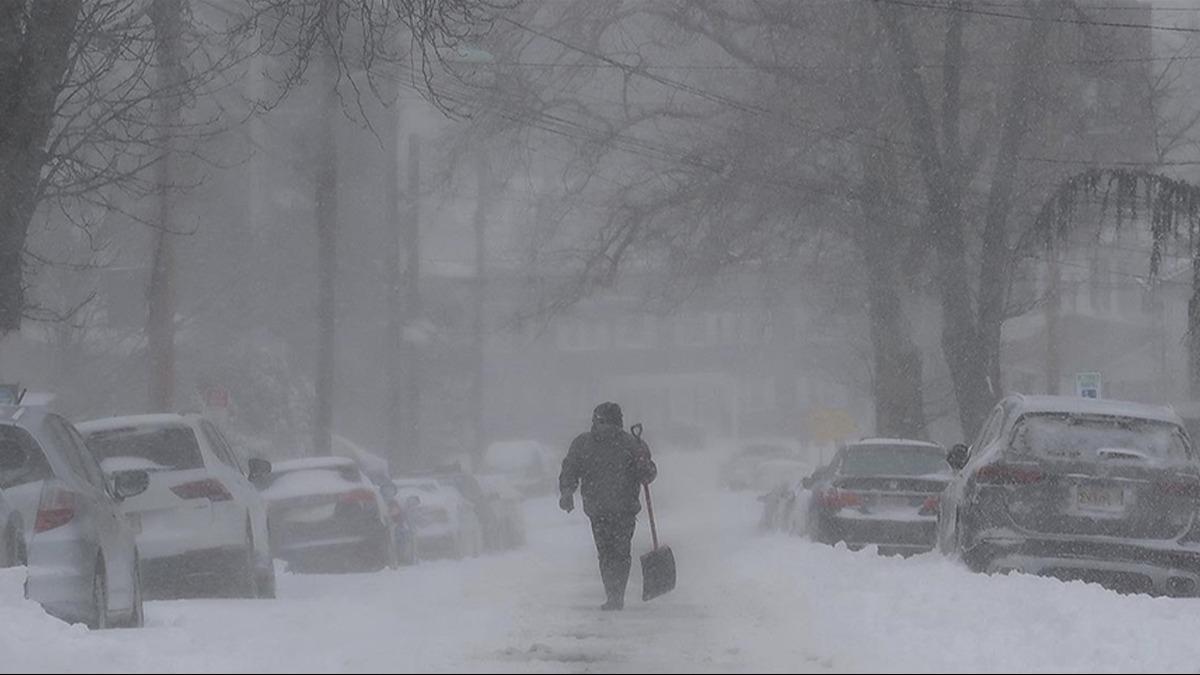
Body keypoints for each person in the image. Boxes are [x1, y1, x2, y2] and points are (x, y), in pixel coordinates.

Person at [558, 402, 657, 611]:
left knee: (615, 553)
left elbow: (648, 474)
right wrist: (567, 492)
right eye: (602, 423)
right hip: (605, 510)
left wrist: (643, 465)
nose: (605, 428)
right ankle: (613, 594)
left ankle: (615, 595)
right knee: (611, 552)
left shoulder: (630, 445)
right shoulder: (587, 444)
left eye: (606, 423)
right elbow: (570, 469)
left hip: (617, 509)